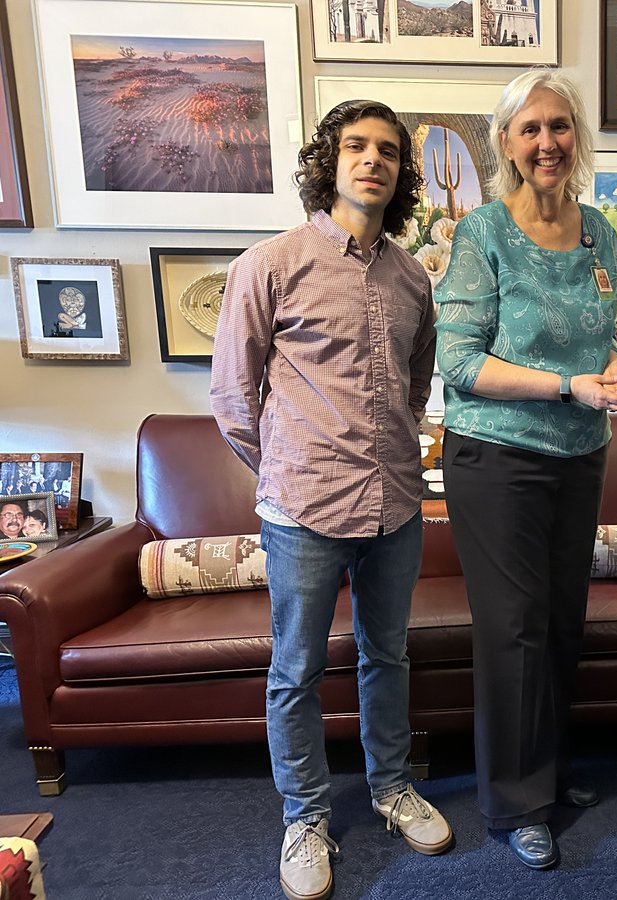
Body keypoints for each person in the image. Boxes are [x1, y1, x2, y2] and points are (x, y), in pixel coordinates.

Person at [210, 99, 452, 900]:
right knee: (296, 670)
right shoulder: (271, 264)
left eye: (387, 149)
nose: (373, 160)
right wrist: (286, 467)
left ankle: (389, 789)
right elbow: (233, 399)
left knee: (389, 656)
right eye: (357, 146)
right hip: (302, 512)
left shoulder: (414, 276)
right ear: (330, 159)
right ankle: (306, 817)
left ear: (400, 172)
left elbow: (418, 385)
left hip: (395, 506)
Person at [435, 68, 617, 871]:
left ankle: (545, 772)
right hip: (497, 456)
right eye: (529, 129)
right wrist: (567, 385)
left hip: (580, 453)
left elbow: (596, 340)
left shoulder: (601, 233)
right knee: (514, 629)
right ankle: (516, 802)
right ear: (506, 143)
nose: (546, 142)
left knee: (560, 622)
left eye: (558, 126)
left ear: (573, 135)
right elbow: (458, 363)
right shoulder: (480, 233)